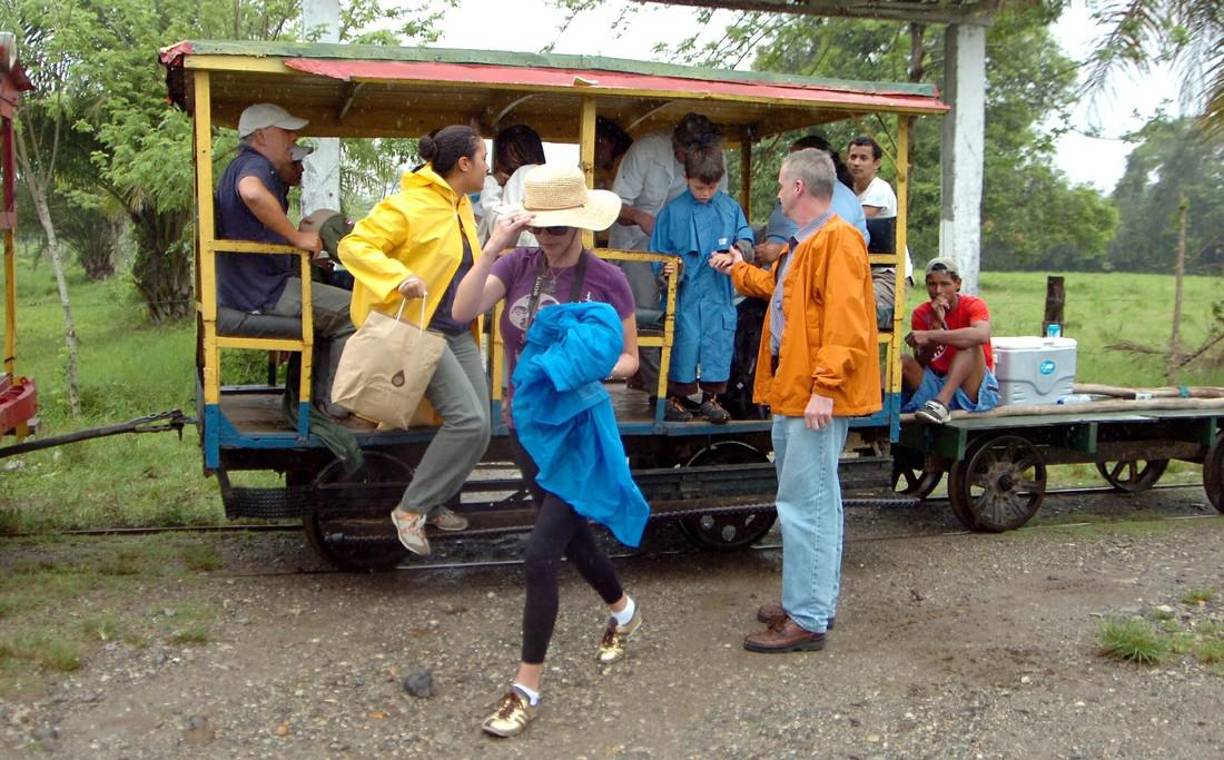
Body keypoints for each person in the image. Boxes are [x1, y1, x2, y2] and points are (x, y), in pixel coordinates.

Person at [449, 164, 646, 738]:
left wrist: (579, 368)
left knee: (539, 554)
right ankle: (623, 612)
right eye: (542, 226)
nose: (549, 236)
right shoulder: (516, 265)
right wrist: (494, 245)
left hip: (579, 431)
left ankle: (525, 688)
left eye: (560, 227)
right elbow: (460, 313)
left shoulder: (607, 280)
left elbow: (631, 361)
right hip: (526, 429)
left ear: (580, 224)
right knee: (573, 538)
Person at [711, 148, 880, 652]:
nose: (779, 193)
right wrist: (738, 271)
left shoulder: (838, 242)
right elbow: (782, 294)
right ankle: (807, 600)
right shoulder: (806, 244)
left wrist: (825, 389)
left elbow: (846, 325)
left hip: (813, 394)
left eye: (783, 184)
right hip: (797, 389)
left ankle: (807, 617)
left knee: (808, 505)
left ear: (800, 189)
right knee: (808, 502)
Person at [338, 125, 492, 552]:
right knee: (469, 421)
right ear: (464, 164)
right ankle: (411, 509)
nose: (488, 167)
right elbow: (355, 246)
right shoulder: (409, 205)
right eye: (483, 159)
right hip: (420, 332)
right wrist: (398, 277)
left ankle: (433, 500)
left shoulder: (461, 205)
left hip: (456, 330)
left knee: (482, 426)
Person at [214, 103, 354, 419]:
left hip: (255, 287)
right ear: (261, 136)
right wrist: (297, 237)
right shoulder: (255, 166)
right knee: (353, 312)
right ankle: (336, 406)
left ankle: (317, 396)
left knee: (335, 308)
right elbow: (251, 193)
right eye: (286, 132)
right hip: (263, 292)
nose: (292, 138)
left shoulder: (248, 165)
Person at [609, 112, 726, 399]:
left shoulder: (715, 161)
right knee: (648, 320)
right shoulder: (646, 150)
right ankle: (659, 391)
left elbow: (721, 205)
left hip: (691, 254)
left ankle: (681, 387)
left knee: (689, 319)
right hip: (639, 246)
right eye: (681, 153)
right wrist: (641, 217)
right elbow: (615, 204)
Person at [649, 145, 753, 423]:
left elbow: (745, 239)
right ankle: (675, 397)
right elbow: (658, 252)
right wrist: (669, 268)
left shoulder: (730, 209)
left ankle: (712, 398)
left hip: (718, 292)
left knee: (717, 341)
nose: (706, 193)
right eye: (699, 188)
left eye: (711, 187)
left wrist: (735, 254)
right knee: (684, 340)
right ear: (686, 178)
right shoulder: (672, 212)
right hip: (685, 292)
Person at [901, 257, 1000, 424]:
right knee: (903, 361)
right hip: (936, 381)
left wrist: (930, 335)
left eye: (945, 284)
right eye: (932, 284)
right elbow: (923, 361)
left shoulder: (973, 305)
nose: (938, 290)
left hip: (971, 387)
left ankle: (941, 404)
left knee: (968, 346)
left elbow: (981, 335)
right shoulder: (921, 313)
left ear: (957, 284)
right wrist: (936, 325)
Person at [755, 134, 868, 265]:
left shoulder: (836, 198)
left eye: (794, 160)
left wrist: (780, 251)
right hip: (776, 274)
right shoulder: (801, 191)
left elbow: (830, 247)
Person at [846, 135, 914, 315]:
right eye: (853, 157)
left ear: (876, 163)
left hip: (888, 274)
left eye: (863, 158)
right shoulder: (847, 191)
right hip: (861, 271)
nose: (856, 163)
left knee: (854, 307)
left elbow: (852, 224)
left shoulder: (879, 190)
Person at [478, 124, 547, 247]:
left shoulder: (524, 173)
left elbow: (504, 228)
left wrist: (490, 184)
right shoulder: (544, 176)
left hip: (519, 259)